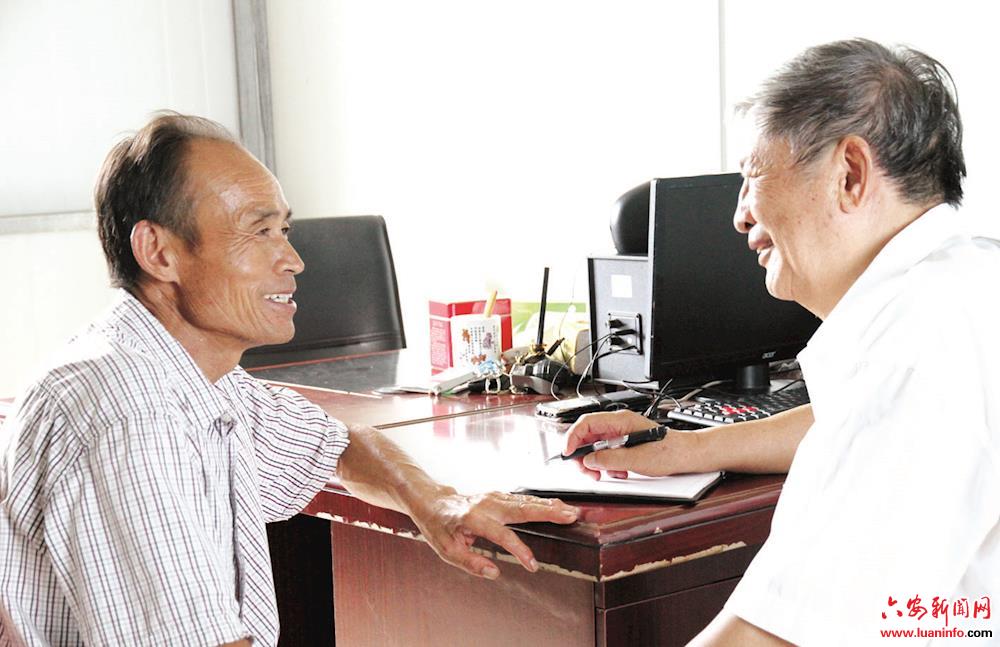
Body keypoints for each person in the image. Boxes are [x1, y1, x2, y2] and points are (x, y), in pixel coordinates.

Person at [0, 113, 579, 647]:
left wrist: (437, 502)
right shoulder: (128, 411)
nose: (294, 260)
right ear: (159, 252)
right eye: (260, 232)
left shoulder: (196, 377)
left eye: (284, 229)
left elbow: (340, 446)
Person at [564, 39, 998, 646]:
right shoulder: (967, 281)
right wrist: (684, 447)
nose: (740, 215)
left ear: (850, 174)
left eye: (753, 176)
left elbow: (777, 635)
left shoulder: (914, 348)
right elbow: (851, 421)